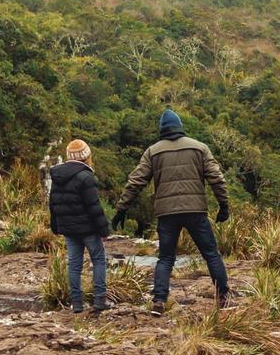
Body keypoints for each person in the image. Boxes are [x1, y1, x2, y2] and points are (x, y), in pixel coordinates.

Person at [112, 108, 231, 313]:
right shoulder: (200, 148)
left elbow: (136, 181)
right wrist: (224, 205)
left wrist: (122, 208)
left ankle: (159, 301)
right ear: (180, 127)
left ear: (162, 130)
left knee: (166, 258)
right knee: (211, 254)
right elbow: (216, 178)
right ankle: (223, 298)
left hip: (167, 214)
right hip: (195, 211)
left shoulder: (153, 151)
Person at [48, 139, 111, 313]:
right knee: (98, 260)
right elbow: (94, 207)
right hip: (88, 229)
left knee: (74, 265)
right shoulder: (86, 176)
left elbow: (52, 204)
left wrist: (55, 227)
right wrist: (104, 230)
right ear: (86, 156)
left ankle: (76, 304)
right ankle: (99, 300)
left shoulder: (57, 176)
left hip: (68, 228)